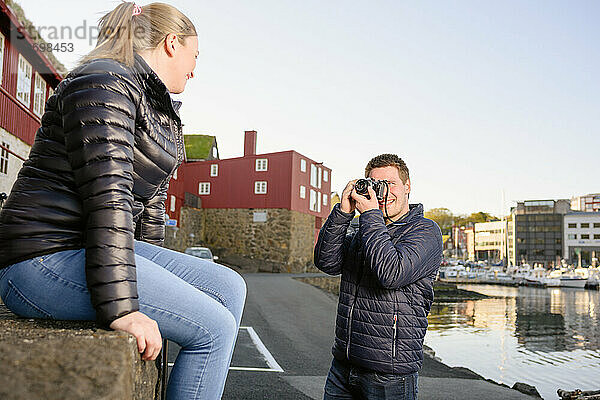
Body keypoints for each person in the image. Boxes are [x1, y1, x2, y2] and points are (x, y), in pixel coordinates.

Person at [0, 3, 246, 399]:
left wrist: (156, 285)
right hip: (39, 260)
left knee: (229, 287)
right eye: (194, 56)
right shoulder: (104, 81)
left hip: (83, 250)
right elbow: (108, 197)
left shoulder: (151, 100)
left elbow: (148, 202)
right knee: (214, 328)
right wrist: (124, 308)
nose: (195, 69)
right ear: (171, 43)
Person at [314, 154, 442, 400]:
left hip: (389, 375)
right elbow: (327, 263)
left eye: (391, 183)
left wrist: (370, 215)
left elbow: (391, 274)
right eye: (376, 184)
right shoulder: (365, 228)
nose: (384, 192)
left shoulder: (426, 231)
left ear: (407, 186)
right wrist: (343, 213)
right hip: (343, 366)